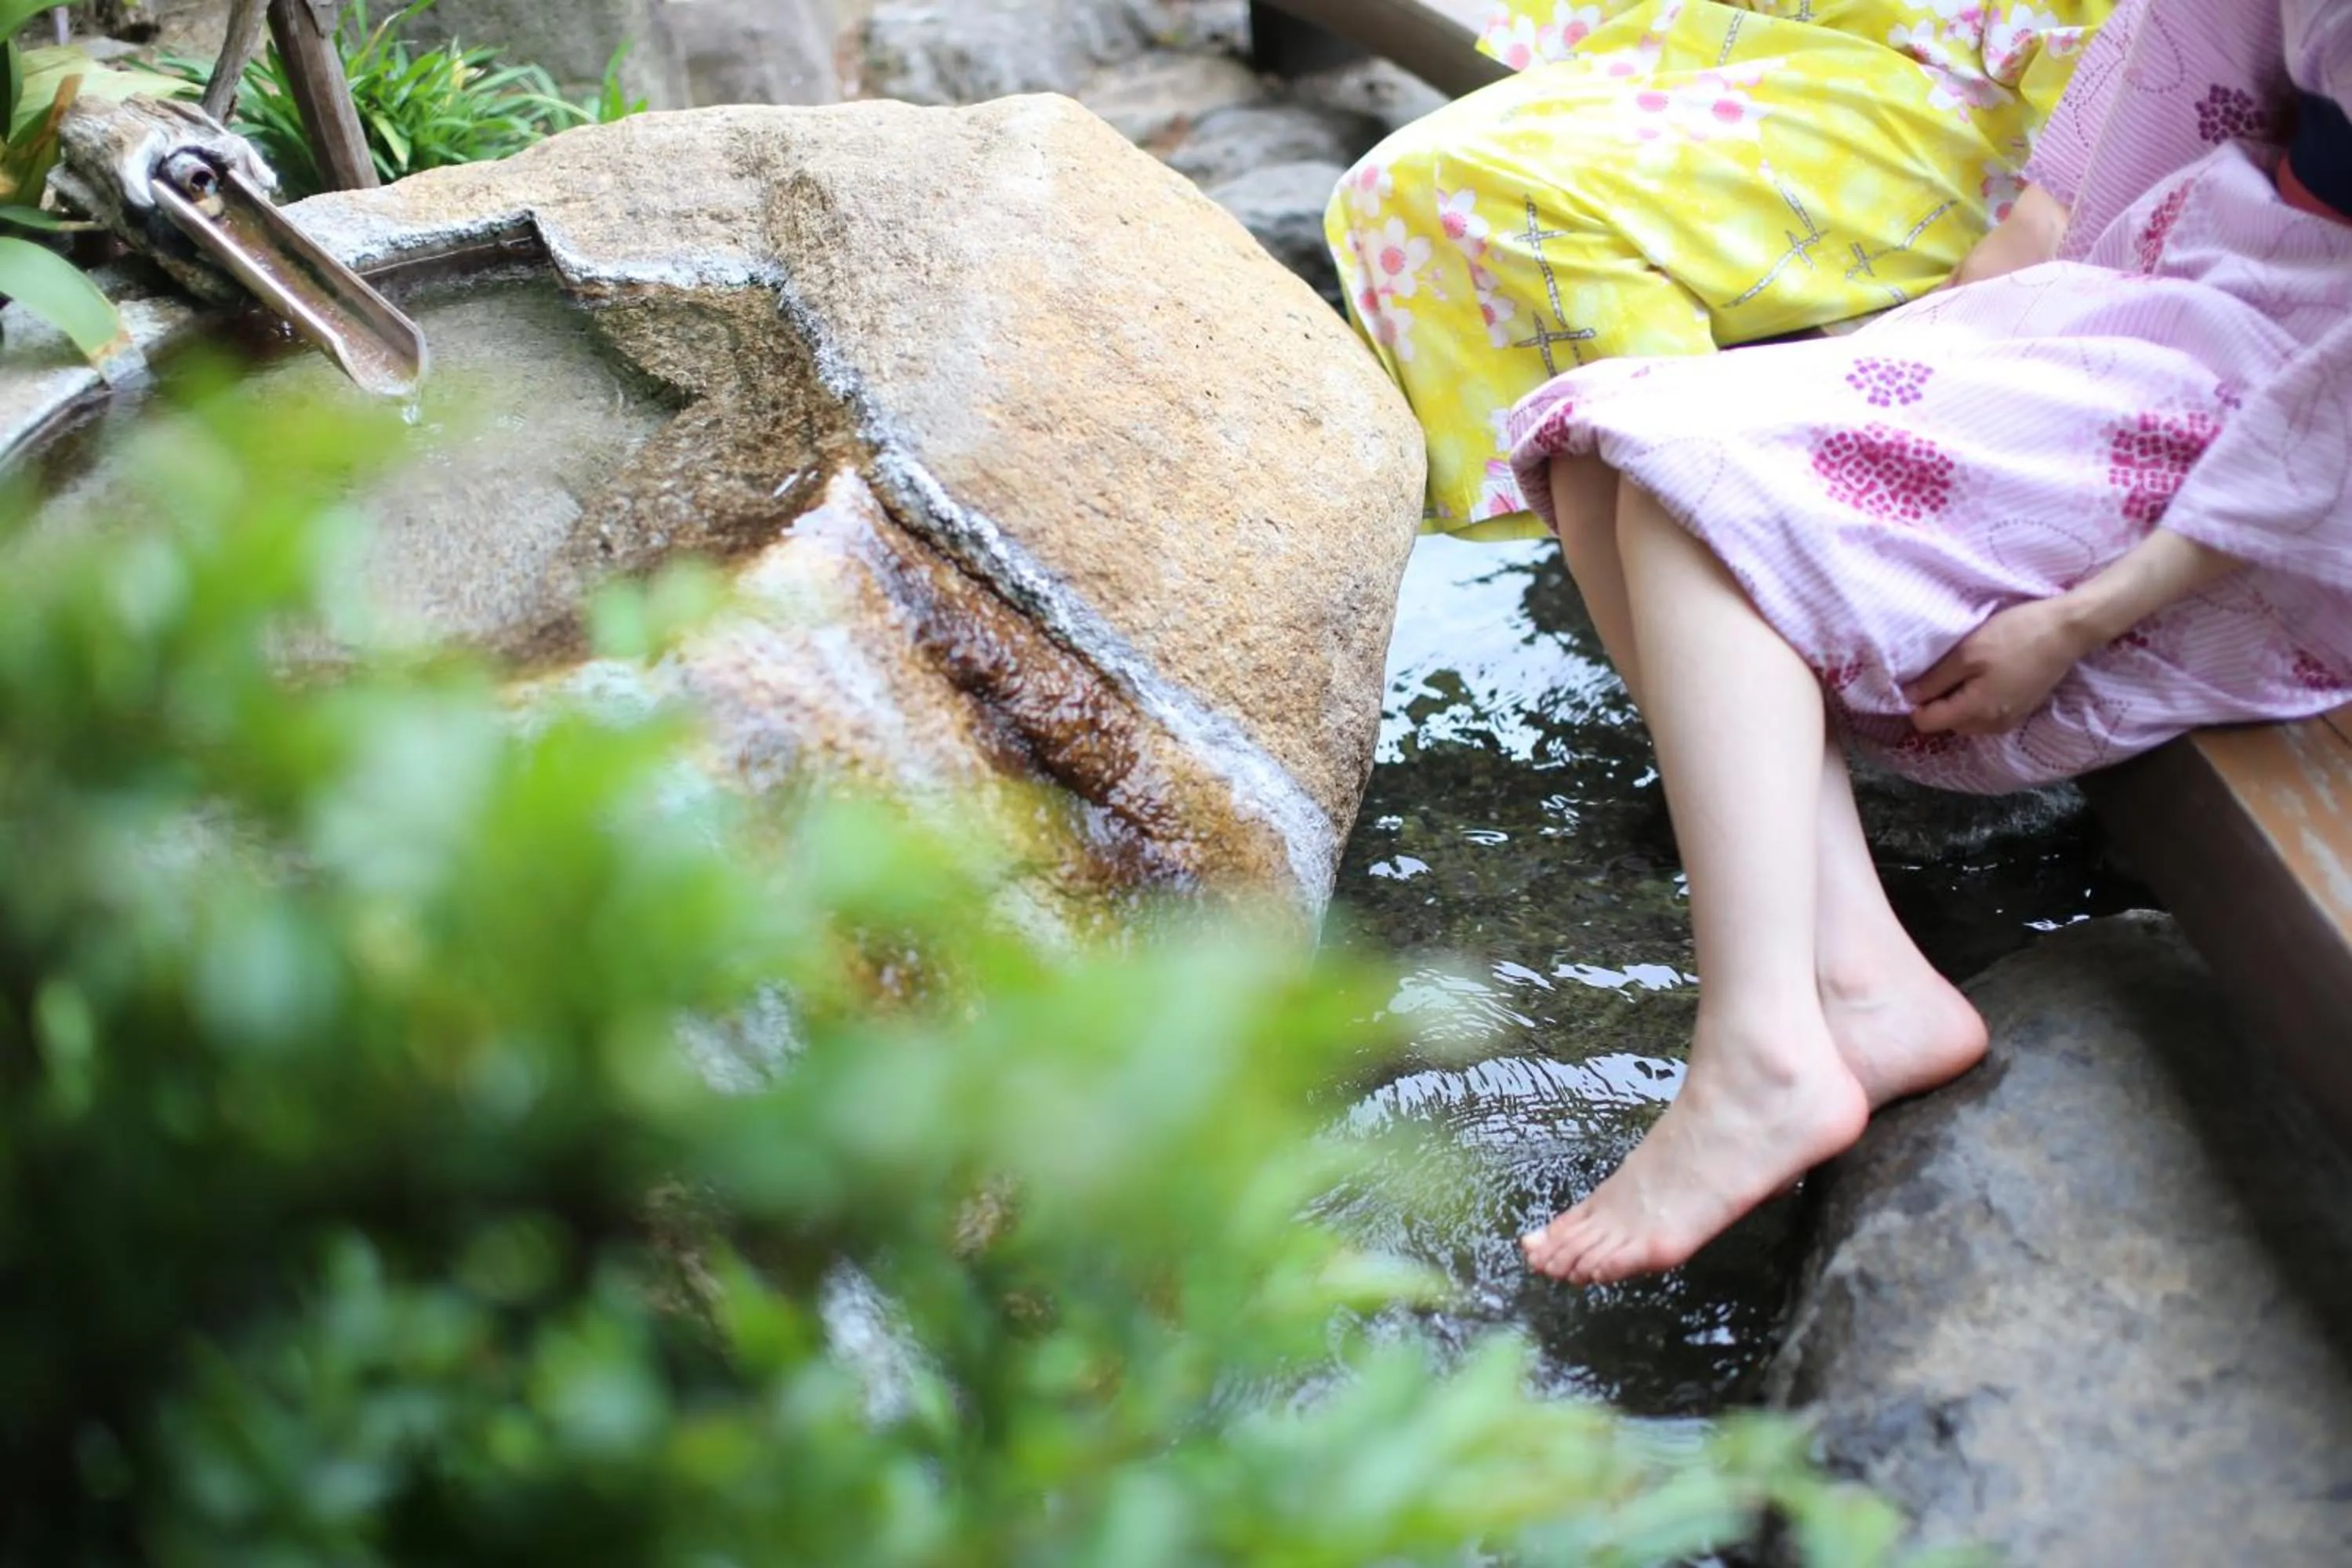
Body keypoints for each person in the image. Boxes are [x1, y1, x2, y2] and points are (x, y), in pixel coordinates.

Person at [1506, 0, 2351, 1285]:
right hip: (2213, 289)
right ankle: (1850, 978)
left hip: (2294, 471)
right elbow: (2179, 83)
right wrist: (1980, 334)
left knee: (1701, 492)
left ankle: (1756, 1052)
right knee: (1598, 445)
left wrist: (2091, 613)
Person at [1326, 0, 2111, 539]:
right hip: (1737, 48)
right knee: (1389, 193)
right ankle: (1690, 623)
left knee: (1499, 197)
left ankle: (1733, 582)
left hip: (1933, 104)